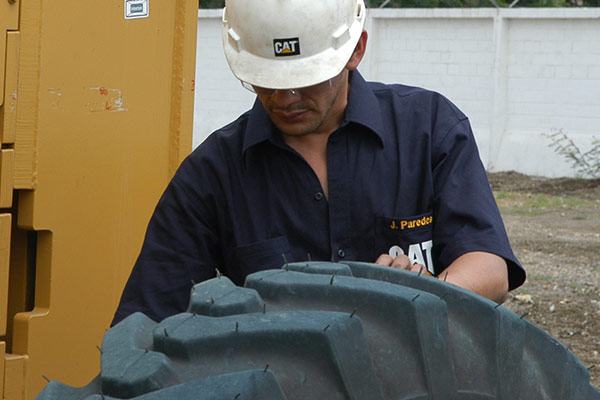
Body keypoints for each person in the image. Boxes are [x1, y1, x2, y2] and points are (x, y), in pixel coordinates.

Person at [112, 0, 525, 326]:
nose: (285, 98)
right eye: (269, 80)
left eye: (305, 79)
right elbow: (148, 319)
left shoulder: (429, 128)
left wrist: (420, 292)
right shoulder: (212, 175)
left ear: (356, 50)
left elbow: (489, 268)